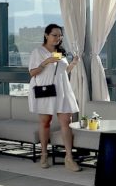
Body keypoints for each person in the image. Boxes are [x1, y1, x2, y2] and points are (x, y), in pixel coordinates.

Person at [28, 24, 82, 171]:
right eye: (55, 35)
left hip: (63, 89)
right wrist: (46, 62)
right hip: (46, 90)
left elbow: (63, 72)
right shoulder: (38, 52)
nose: (58, 38)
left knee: (66, 121)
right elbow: (32, 72)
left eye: (60, 36)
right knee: (46, 122)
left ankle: (69, 158)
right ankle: (44, 154)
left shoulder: (60, 52)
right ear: (46, 35)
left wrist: (73, 64)